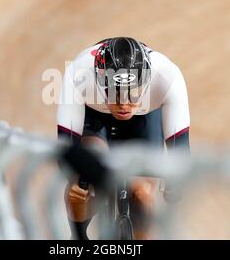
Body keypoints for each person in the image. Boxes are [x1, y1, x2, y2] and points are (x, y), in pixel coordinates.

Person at [57, 37, 190, 240]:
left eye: (133, 94)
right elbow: (66, 148)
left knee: (142, 193)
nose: (124, 104)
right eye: (115, 93)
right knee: (82, 184)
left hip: (145, 117)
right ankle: (78, 238)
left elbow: (179, 154)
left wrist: (174, 183)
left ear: (146, 81)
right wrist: (79, 180)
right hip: (96, 115)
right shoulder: (79, 74)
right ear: (100, 82)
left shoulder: (167, 77)